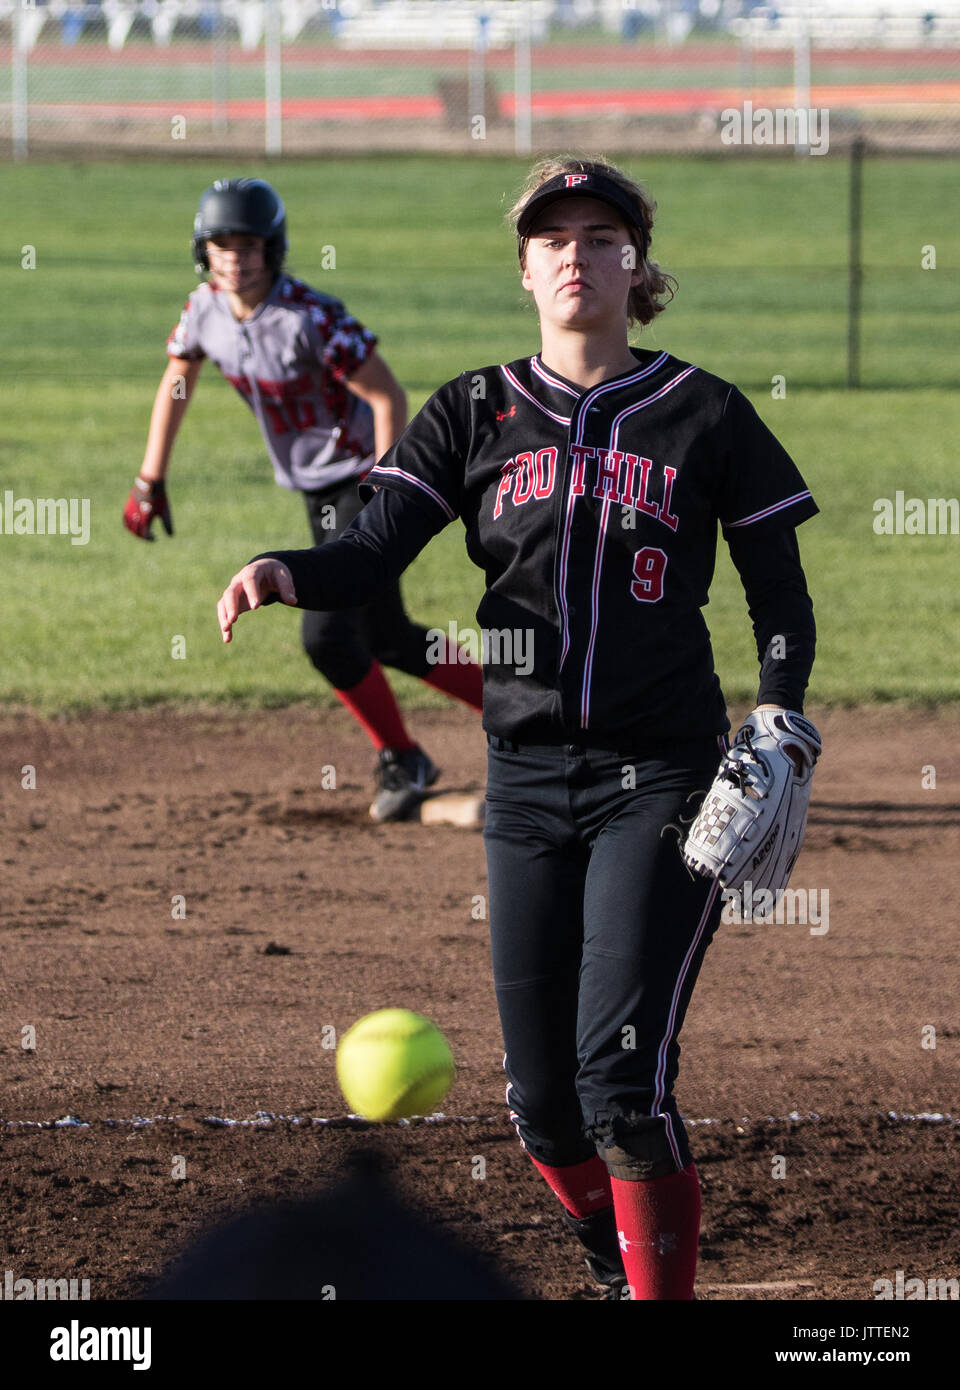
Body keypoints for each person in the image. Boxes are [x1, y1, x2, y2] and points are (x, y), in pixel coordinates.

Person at [215, 158, 818, 1300]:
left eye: (601, 236)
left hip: (665, 778)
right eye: (554, 239)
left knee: (620, 1086)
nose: (576, 255)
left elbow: (778, 594)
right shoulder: (474, 411)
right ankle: (611, 1252)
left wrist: (779, 704)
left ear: (634, 264)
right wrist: (285, 570)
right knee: (545, 1111)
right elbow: (371, 551)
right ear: (526, 267)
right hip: (527, 783)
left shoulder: (705, 413)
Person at [124, 177, 482, 822]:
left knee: (327, 635)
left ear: (274, 249)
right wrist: (150, 479)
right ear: (202, 252)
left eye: (249, 245)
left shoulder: (310, 316)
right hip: (313, 490)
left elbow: (385, 395)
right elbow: (177, 380)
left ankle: (421, 751)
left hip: (356, 478)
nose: (235, 258)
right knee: (389, 636)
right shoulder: (202, 309)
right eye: (221, 245)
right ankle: (511, 718)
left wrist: (385, 490)